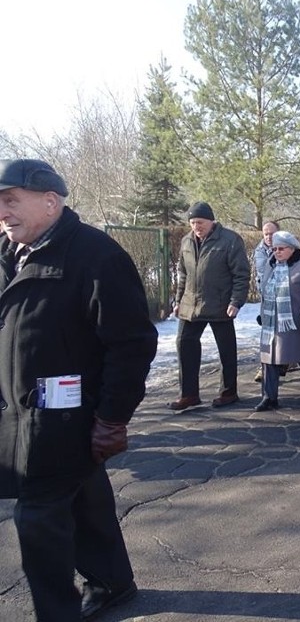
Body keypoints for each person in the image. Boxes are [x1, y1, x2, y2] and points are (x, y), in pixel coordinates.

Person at [0, 158, 158, 620]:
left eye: (11, 201)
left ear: (51, 202)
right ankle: (114, 582)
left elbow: (131, 345)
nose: (3, 212)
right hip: (16, 417)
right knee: (87, 498)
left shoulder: (96, 256)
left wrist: (112, 418)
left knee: (38, 524)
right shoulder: (7, 255)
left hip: (67, 420)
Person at [169, 202, 250, 410]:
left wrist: (236, 301)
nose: (197, 226)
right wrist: (178, 301)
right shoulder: (186, 241)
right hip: (190, 305)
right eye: (193, 222)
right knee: (184, 345)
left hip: (220, 304)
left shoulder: (230, 240)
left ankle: (228, 391)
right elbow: (182, 273)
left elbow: (241, 274)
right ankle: (188, 394)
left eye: (201, 222)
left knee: (226, 350)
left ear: (212, 221)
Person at [255, 231, 300, 410]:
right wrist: (262, 314)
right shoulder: (270, 266)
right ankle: (269, 397)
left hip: (295, 320)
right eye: (274, 249)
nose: (277, 252)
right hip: (272, 322)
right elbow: (265, 294)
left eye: (281, 249)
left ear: (292, 249)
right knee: (269, 358)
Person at [253, 221, 279, 382]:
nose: (269, 237)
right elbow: (263, 274)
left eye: (272, 234)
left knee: (287, 335)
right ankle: (264, 368)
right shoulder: (259, 250)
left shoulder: (287, 248)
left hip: (285, 297)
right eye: (266, 234)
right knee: (267, 335)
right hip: (267, 299)